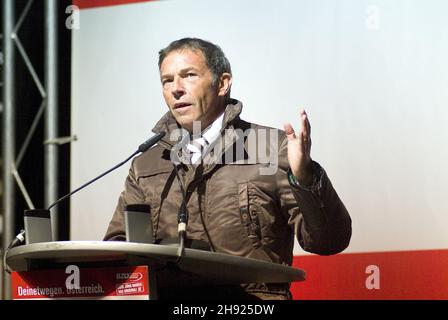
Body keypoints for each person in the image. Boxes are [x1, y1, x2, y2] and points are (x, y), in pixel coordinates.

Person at [104, 37, 352, 300]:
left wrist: (305, 178)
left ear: (222, 83)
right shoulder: (147, 162)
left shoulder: (270, 148)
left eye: (188, 76)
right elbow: (118, 248)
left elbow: (329, 240)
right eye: (167, 80)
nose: (176, 88)